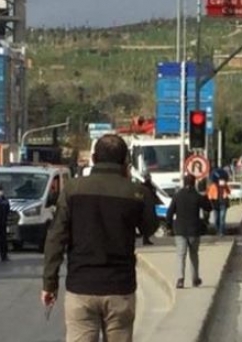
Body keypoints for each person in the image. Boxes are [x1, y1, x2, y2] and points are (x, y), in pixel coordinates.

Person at [42, 134, 157, 342]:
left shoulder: (72, 190)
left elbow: (55, 239)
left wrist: (49, 284)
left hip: (81, 289)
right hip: (120, 290)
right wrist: (138, 187)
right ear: (125, 162)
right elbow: (150, 228)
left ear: (93, 158)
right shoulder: (135, 193)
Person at [166, 174, 212, 289]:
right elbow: (209, 207)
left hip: (180, 230)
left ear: (184, 182)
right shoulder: (197, 196)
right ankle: (195, 279)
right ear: (194, 183)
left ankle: (180, 279)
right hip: (194, 230)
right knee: (194, 255)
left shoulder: (177, 196)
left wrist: (169, 227)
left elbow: (169, 213)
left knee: (181, 255)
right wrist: (205, 195)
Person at [140, 170, 162, 245]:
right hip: (146, 207)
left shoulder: (151, 185)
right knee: (148, 223)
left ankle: (146, 238)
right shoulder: (144, 185)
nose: (150, 178)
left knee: (153, 223)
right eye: (148, 176)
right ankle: (145, 238)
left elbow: (155, 195)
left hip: (151, 205)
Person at [207, 172, 230, 237]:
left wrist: (225, 186)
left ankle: (221, 232)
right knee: (217, 219)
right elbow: (210, 196)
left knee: (222, 219)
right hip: (215, 204)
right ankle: (217, 230)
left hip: (223, 204)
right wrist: (211, 202)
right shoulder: (213, 186)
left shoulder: (225, 185)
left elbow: (229, 192)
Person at [0, 184, 10, 262]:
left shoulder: (3, 199)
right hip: (2, 222)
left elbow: (6, 208)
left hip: (2, 222)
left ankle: (4, 255)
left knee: (3, 239)